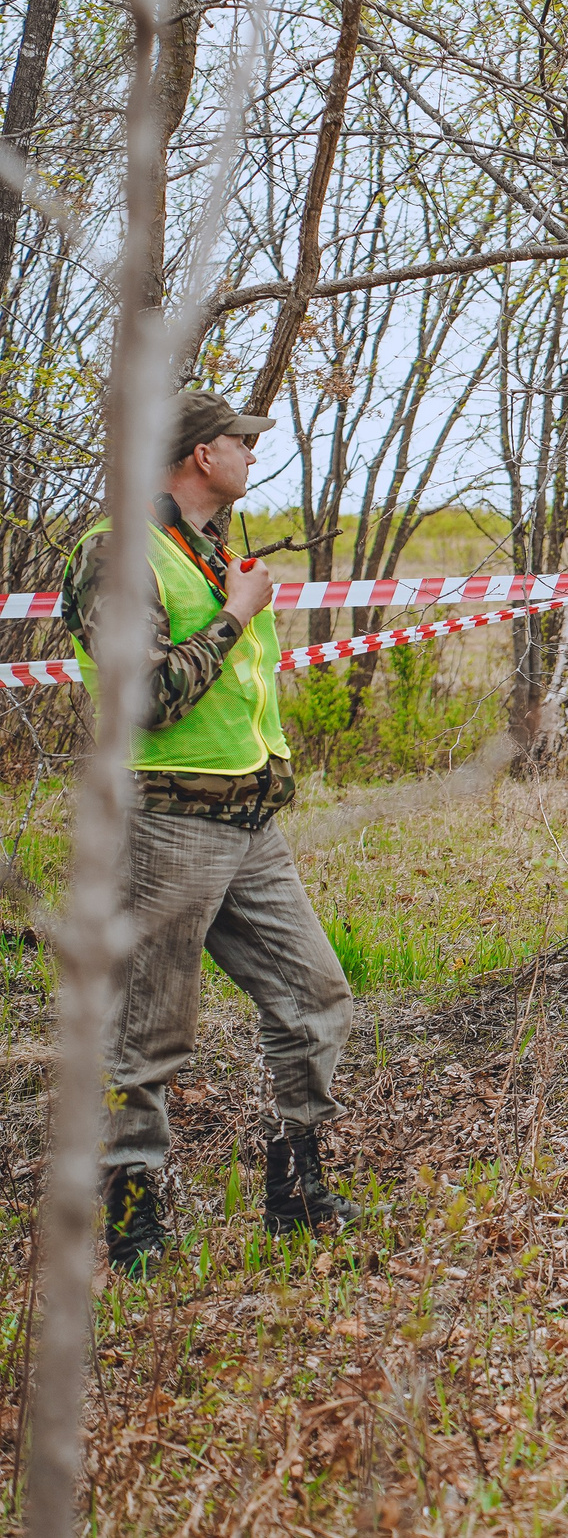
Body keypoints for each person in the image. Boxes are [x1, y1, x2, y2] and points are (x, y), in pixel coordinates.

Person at [62, 389, 362, 1277]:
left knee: (317, 998)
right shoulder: (116, 553)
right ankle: (131, 1216)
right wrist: (234, 616)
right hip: (164, 822)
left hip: (246, 818)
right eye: (242, 440)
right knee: (147, 1030)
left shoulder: (210, 549)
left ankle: (295, 1183)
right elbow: (142, 700)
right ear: (201, 454)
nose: (252, 453)